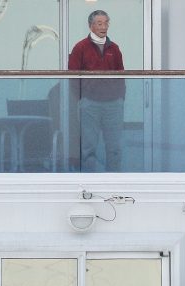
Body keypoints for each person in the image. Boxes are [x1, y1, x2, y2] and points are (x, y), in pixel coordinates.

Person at [69, 10, 125, 172]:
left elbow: (121, 75)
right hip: (90, 104)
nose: (104, 26)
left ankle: (114, 182)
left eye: (106, 23)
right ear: (91, 26)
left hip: (113, 104)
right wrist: (81, 98)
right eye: (100, 23)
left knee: (114, 147)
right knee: (88, 147)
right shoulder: (80, 47)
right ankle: (89, 183)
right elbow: (72, 76)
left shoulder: (114, 49)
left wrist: (120, 98)